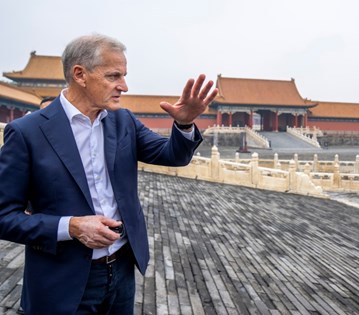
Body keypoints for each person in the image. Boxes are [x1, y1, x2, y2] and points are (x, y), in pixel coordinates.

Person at [0, 34, 218, 315]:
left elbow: (172, 155)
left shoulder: (123, 121)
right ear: (80, 74)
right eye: (114, 76)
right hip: (62, 279)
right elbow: (4, 216)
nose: (124, 86)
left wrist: (185, 123)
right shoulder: (28, 132)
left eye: (124, 75)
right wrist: (72, 226)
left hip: (121, 270)